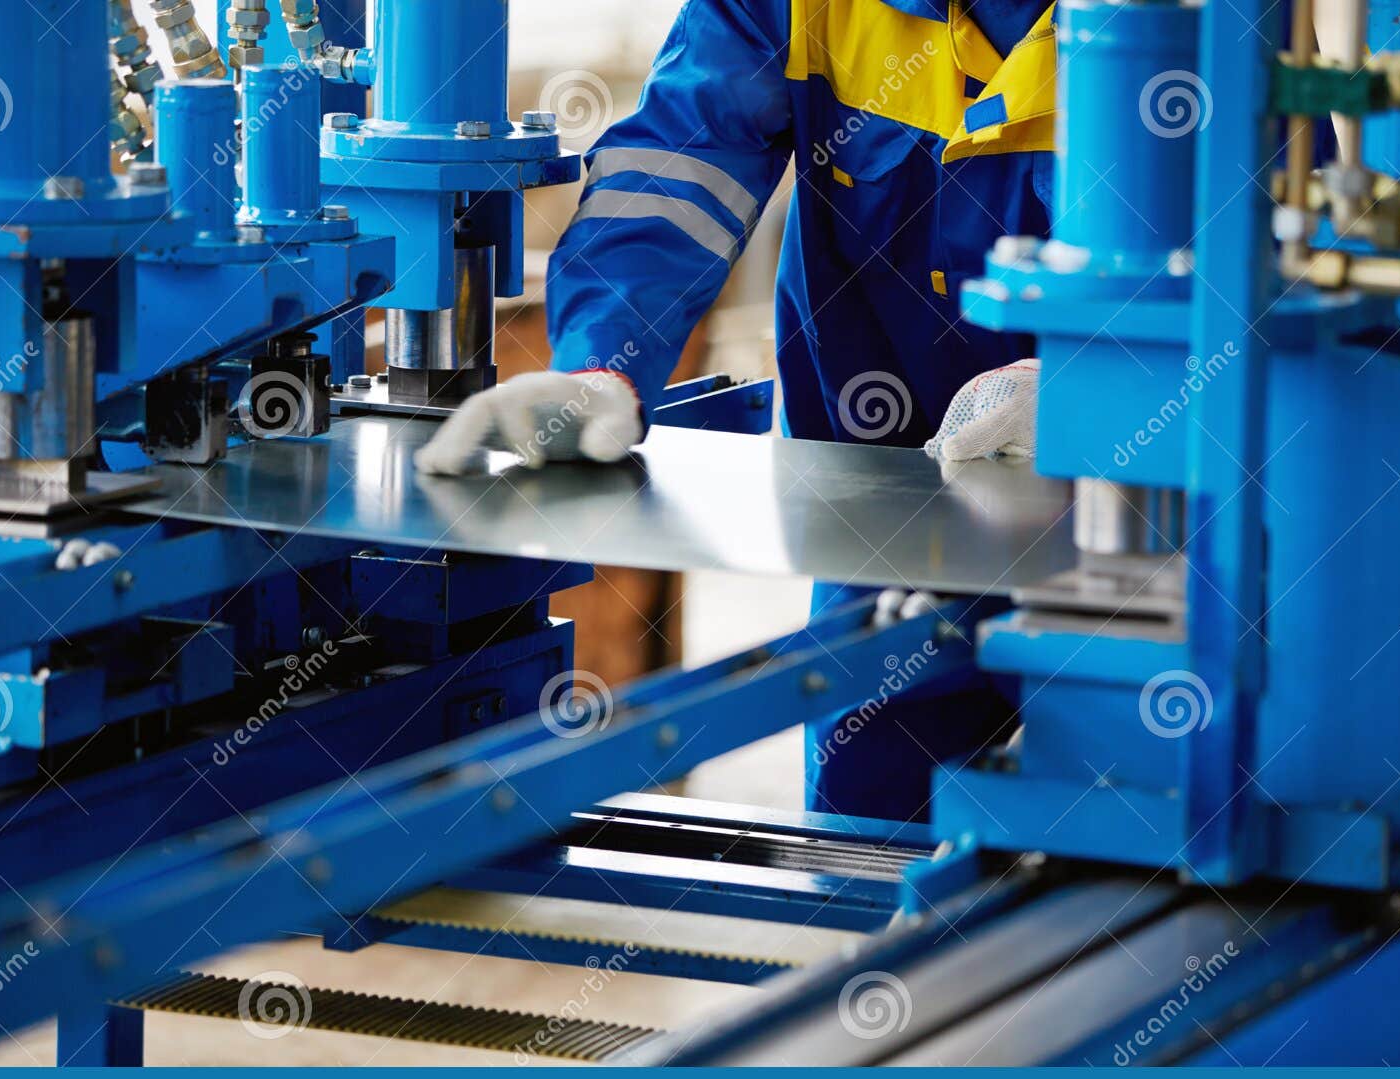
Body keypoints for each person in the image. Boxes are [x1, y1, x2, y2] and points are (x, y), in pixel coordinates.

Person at [416, 0, 1057, 822]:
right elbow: (681, 169)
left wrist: (1107, 389)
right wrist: (600, 366)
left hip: (1155, 545)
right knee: (872, 854)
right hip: (885, 533)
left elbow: (1262, 242)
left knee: (1142, 864)